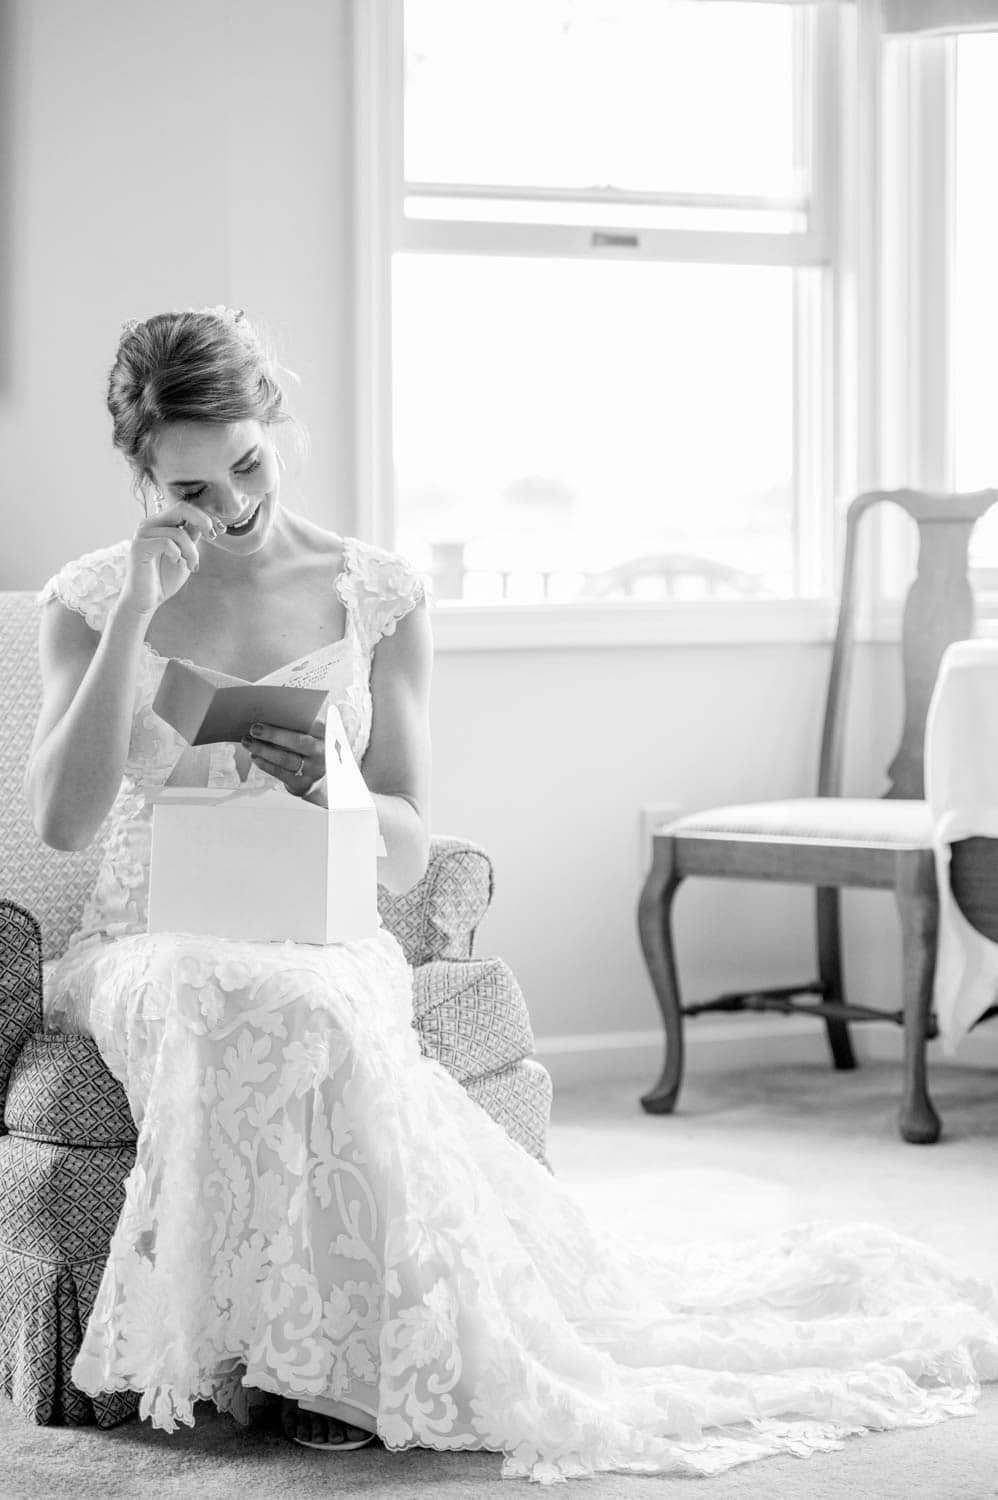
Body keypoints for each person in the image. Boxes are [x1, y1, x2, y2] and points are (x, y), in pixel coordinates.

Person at [26, 306, 998, 1483]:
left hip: (319, 922)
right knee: (218, 990)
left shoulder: (373, 592)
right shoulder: (87, 599)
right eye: (191, 490)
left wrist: (330, 786)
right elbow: (66, 823)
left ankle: (319, 1354)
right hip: (144, 936)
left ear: (274, 422)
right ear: (142, 476)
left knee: (317, 1002)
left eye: (246, 465)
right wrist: (136, 609)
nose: (230, 506)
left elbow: (403, 836)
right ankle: (288, 1354)